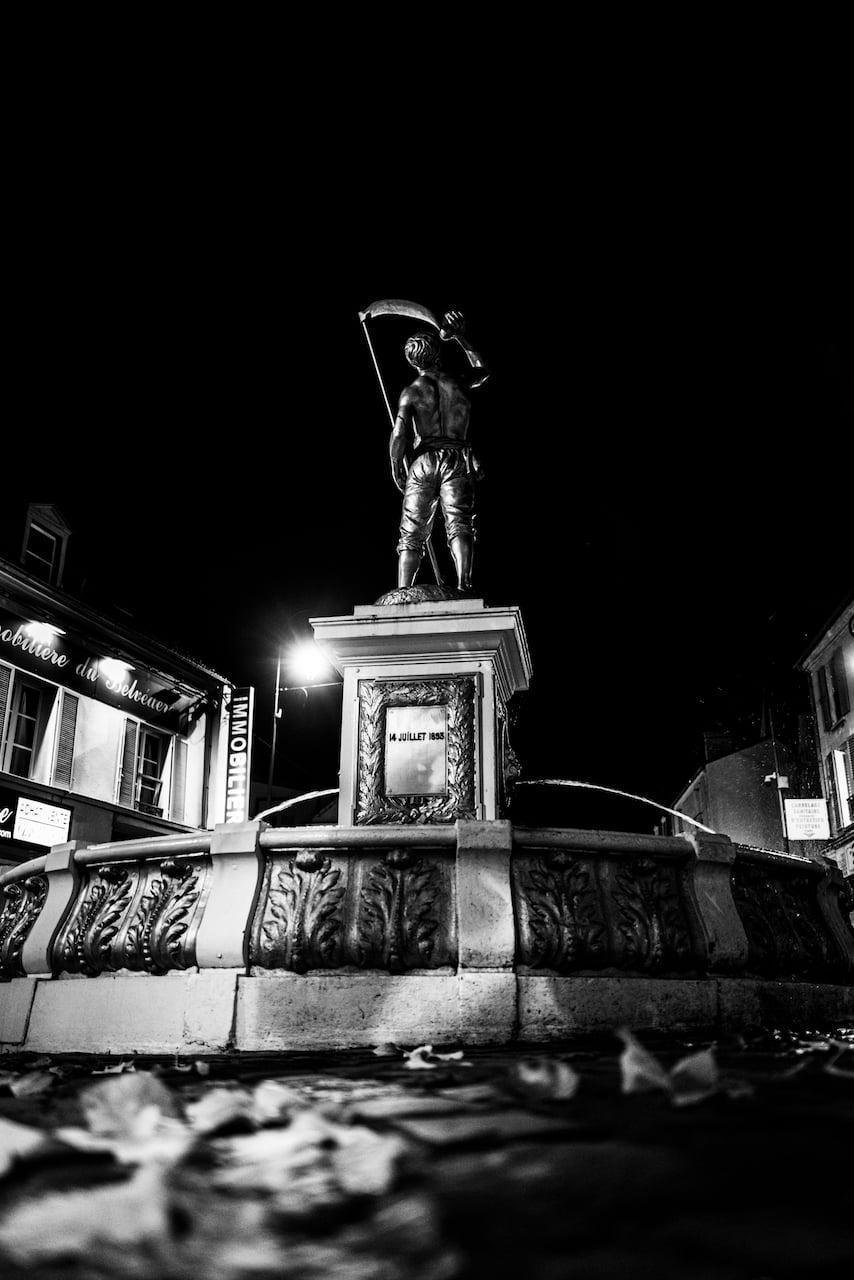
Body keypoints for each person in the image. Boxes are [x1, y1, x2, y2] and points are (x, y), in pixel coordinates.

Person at [390, 310, 489, 591]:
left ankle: (403, 588)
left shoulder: (411, 391)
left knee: (412, 528)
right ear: (437, 354)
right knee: (459, 521)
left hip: (423, 460)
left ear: (412, 361)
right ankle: (464, 583)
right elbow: (483, 369)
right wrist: (461, 338)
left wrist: (395, 462)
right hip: (457, 458)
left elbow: (399, 433)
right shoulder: (458, 381)